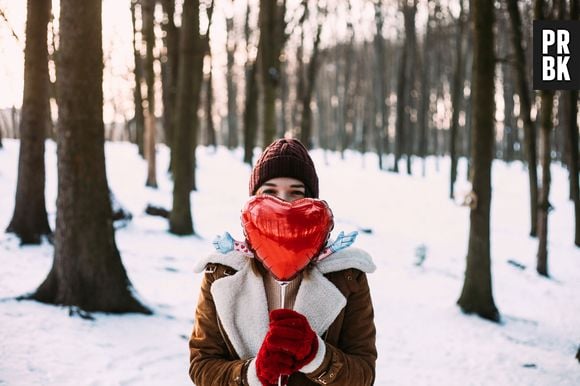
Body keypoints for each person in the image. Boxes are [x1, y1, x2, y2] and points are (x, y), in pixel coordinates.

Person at [189, 138, 377, 386]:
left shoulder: (347, 275)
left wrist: (317, 357)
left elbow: (364, 372)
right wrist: (252, 373)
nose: (283, 203)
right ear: (253, 198)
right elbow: (202, 365)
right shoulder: (221, 272)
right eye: (270, 192)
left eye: (296, 192)